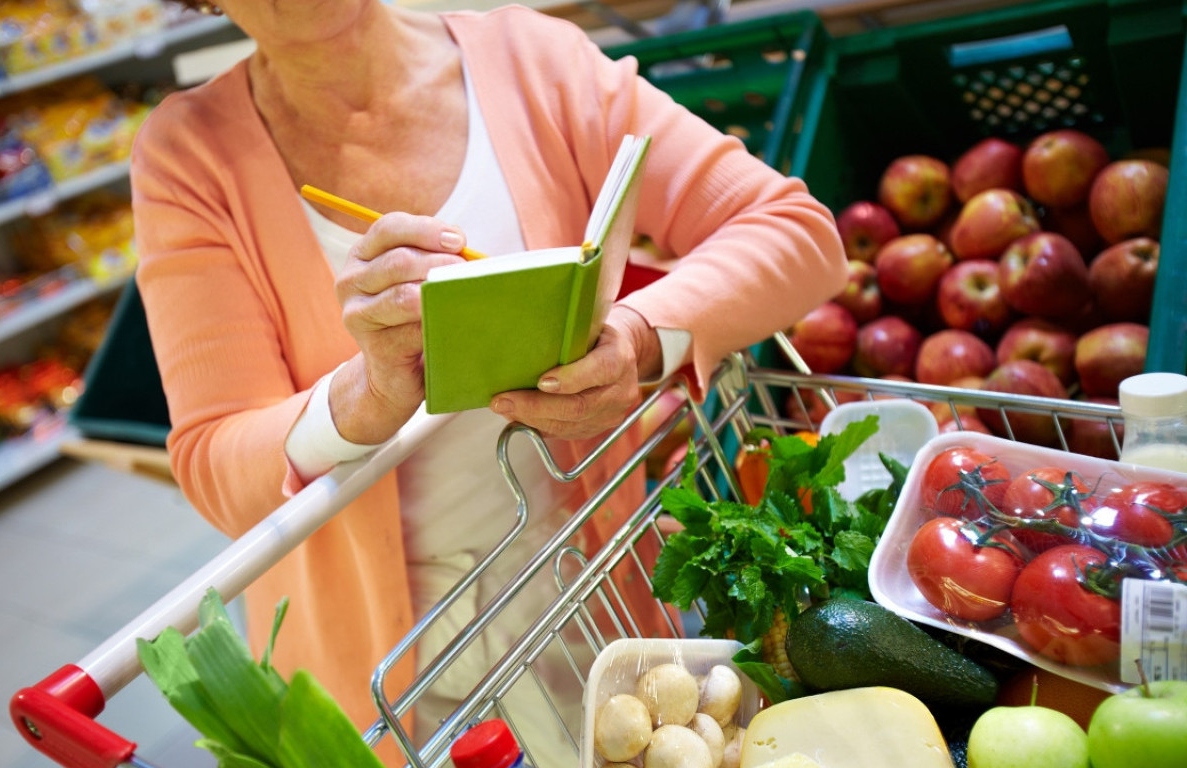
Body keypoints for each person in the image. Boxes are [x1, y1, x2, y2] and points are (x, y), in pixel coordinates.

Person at [131, 0, 847, 760]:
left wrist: (636, 341)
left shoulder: (532, 61)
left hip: (599, 604)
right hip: (383, 680)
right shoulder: (189, 156)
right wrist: (364, 397)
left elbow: (793, 231)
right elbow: (215, 463)